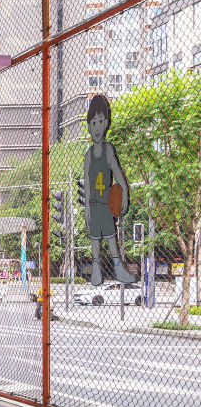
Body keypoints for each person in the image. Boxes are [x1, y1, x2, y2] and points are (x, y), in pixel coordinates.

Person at [83, 94, 136, 286]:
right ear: (89, 126)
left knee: (111, 237)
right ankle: (96, 270)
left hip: (106, 203)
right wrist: (86, 209)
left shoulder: (108, 150)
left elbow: (118, 173)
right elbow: (87, 185)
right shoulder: (88, 155)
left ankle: (118, 268)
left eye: (100, 121)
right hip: (94, 204)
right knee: (95, 239)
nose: (97, 127)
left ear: (106, 123)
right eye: (93, 123)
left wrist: (125, 192)